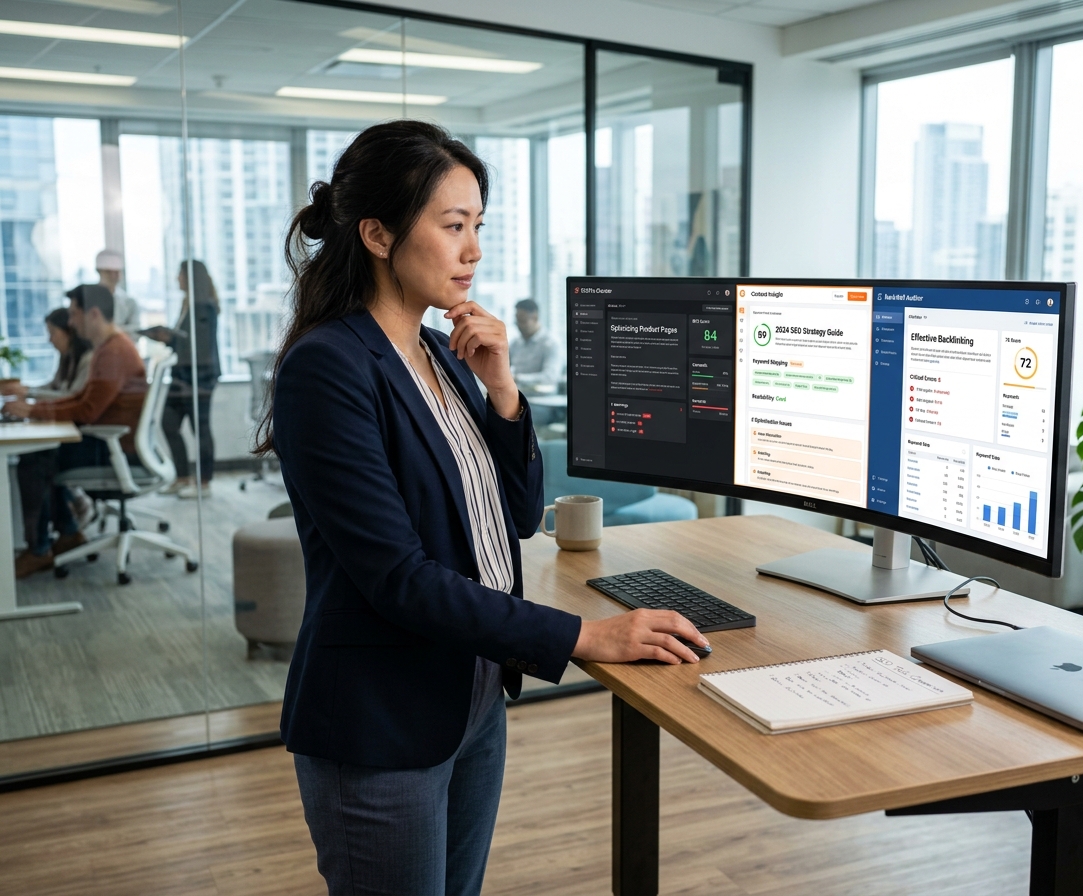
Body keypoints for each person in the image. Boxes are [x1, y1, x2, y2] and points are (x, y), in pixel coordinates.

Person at [256, 120, 707, 896]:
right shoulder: (328, 367)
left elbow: (521, 514)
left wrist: (502, 391)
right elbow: (397, 577)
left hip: (468, 698)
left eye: (479, 227)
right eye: (453, 226)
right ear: (377, 234)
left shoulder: (439, 352)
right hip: (380, 720)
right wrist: (584, 636)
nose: (473, 250)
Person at [10, 285, 146, 577]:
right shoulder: (108, 348)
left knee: (34, 461)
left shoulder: (113, 352)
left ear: (93, 314)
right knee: (41, 453)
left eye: (74, 314)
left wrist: (34, 411)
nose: (70, 323)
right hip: (109, 443)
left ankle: (39, 550)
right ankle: (68, 533)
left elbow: (86, 412)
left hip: (114, 450)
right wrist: (34, 409)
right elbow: (82, 399)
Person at [145, 261, 221, 499]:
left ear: (190, 277)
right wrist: (167, 338)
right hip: (182, 377)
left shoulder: (203, 307)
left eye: (179, 274)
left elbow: (200, 349)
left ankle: (204, 483)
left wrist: (171, 338)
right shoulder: (189, 305)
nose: (177, 279)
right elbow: (188, 343)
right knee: (169, 424)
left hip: (198, 378)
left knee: (201, 429)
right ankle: (182, 477)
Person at [508, 298, 561, 389]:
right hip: (518, 396)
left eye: (523, 321)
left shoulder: (551, 344)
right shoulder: (514, 344)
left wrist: (518, 379)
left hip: (542, 399)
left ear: (535, 317)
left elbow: (550, 378)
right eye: (517, 322)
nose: (519, 326)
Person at [95, 249, 141, 334]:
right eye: (108, 271)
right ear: (99, 271)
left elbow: (136, 331)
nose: (113, 276)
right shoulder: (86, 300)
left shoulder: (129, 302)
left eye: (116, 272)